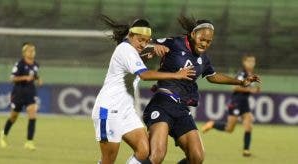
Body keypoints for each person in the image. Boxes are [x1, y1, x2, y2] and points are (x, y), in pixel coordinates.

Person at [142, 15, 260, 164]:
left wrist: (241, 82)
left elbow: (213, 76)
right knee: (157, 155)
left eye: (208, 41)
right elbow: (143, 44)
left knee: (197, 157)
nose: (204, 44)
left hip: (181, 109)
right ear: (192, 34)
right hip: (163, 103)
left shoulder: (203, 59)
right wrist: (153, 46)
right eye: (202, 39)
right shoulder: (175, 43)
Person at [91, 15, 196, 164]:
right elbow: (145, 75)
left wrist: (149, 54)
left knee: (144, 150)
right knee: (108, 160)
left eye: (147, 41)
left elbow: (134, 65)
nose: (143, 44)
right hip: (109, 111)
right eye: (140, 40)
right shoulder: (125, 49)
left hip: (126, 112)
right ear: (130, 35)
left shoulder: (132, 51)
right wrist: (176, 75)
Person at [202, 54, 260, 157]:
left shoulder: (251, 74)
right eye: (249, 61)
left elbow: (251, 88)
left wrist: (255, 89)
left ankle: (246, 150)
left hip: (244, 103)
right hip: (236, 102)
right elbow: (235, 88)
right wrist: (251, 89)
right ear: (244, 62)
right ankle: (212, 124)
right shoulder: (242, 74)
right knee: (229, 129)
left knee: (249, 124)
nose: (251, 63)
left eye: (253, 61)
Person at [0, 42, 43, 150]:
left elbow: (35, 76)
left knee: (32, 114)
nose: (32, 52)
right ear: (24, 53)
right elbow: (12, 78)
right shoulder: (19, 64)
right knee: (14, 116)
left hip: (30, 92)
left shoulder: (36, 65)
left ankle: (29, 142)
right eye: (30, 50)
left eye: (33, 50)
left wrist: (38, 80)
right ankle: (3, 135)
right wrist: (24, 78)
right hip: (18, 92)